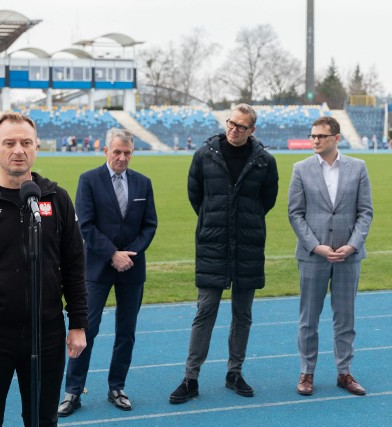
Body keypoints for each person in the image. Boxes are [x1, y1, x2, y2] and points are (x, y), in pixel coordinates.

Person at [0, 112, 88, 427]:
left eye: (25, 142)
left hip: (47, 334)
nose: (18, 150)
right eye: (9, 143)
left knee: (42, 419)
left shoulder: (56, 199)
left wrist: (78, 324)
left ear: (36, 147)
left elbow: (75, 266)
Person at [169, 104, 279, 404]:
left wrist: (244, 222)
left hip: (247, 245)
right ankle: (190, 378)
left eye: (241, 126)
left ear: (252, 130)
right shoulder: (204, 156)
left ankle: (235, 372)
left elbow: (266, 201)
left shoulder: (264, 162)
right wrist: (214, 221)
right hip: (213, 244)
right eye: (231, 123)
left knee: (242, 315)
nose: (234, 129)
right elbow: (197, 197)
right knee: (205, 312)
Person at [57, 128, 157, 416]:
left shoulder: (143, 183)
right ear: (105, 151)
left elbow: (149, 225)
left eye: (127, 153)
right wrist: (113, 254)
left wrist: (129, 256)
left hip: (132, 269)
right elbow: (85, 225)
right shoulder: (89, 180)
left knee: (126, 332)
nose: (122, 157)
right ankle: (73, 391)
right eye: (117, 152)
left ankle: (117, 387)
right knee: (85, 330)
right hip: (97, 268)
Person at [288, 116, 373, 396]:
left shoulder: (358, 168)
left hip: (349, 256)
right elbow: (295, 213)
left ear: (336, 138)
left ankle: (344, 373)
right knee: (308, 318)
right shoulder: (300, 169)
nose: (314, 140)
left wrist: (352, 245)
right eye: (312, 136)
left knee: (345, 318)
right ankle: (307, 372)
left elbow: (365, 212)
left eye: (321, 136)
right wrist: (316, 246)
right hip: (313, 256)